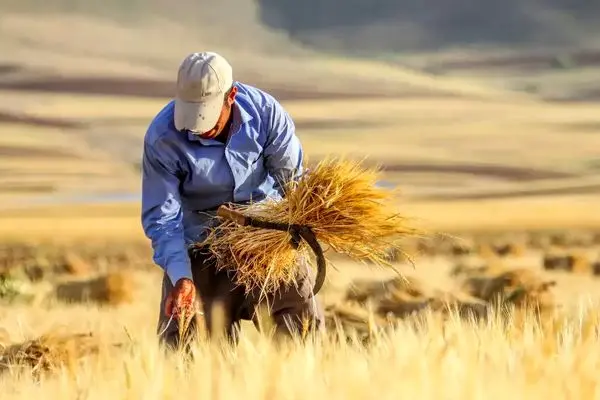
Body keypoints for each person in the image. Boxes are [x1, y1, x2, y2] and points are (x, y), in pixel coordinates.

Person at [140, 51, 325, 349]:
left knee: (301, 332)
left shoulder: (267, 114)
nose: (197, 126)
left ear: (231, 96)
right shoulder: (162, 137)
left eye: (207, 113)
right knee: (186, 344)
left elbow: (293, 184)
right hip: (201, 242)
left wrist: (301, 228)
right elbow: (162, 219)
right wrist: (181, 278)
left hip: (267, 238)